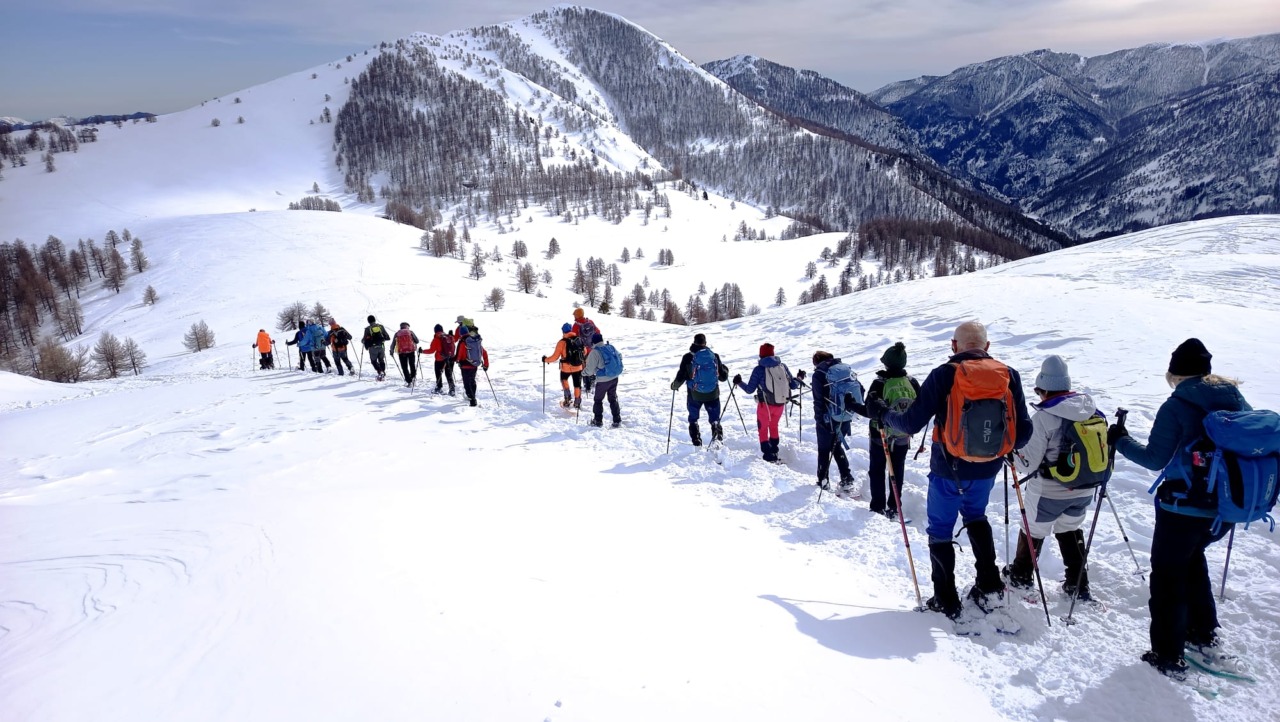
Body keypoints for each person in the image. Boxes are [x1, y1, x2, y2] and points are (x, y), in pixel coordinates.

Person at [871, 321, 1033, 619]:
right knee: (977, 517)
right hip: (987, 468)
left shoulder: (945, 374)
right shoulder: (1009, 375)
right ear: (987, 346)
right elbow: (1023, 433)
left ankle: (946, 599)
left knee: (940, 529)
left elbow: (910, 424)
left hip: (948, 469)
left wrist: (883, 413)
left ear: (954, 345)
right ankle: (990, 585)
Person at [1112, 338, 1250, 679]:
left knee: (1168, 575)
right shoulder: (1236, 398)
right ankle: (1202, 633)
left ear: (1175, 373)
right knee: (1192, 561)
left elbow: (1154, 458)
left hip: (1182, 509)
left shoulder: (1177, 405)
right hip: (1226, 509)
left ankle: (1167, 654)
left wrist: (1120, 440)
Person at [1006, 355, 1102, 600]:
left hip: (1048, 490)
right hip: (1084, 488)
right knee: (1070, 528)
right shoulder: (1091, 410)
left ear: (1044, 389)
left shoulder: (1044, 418)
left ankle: (1021, 575)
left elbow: (1029, 463)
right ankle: (1078, 583)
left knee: (1033, 530)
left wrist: (1012, 454)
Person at [864, 342, 921, 519]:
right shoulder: (911, 382)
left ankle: (878, 506)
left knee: (877, 470)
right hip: (903, 434)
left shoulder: (880, 383)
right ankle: (894, 506)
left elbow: (870, 410)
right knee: (897, 470)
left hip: (879, 434)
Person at [733, 343, 800, 462]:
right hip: (780, 403)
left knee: (762, 428)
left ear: (761, 355)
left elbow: (750, 390)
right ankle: (775, 450)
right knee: (774, 426)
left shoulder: (759, 370)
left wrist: (739, 382)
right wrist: (799, 378)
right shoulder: (782, 366)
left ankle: (768, 455)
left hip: (765, 406)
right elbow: (794, 385)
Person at [669, 333, 729, 446]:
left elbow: (681, 375)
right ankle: (717, 437)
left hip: (694, 394)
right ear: (705, 343)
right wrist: (725, 369)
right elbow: (723, 377)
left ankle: (696, 440)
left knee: (693, 417)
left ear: (694, 343)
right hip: (712, 393)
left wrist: (674, 386)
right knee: (714, 418)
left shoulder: (688, 357)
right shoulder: (714, 356)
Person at [810, 350, 857, 493]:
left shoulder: (819, 374)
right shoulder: (845, 369)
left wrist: (819, 419)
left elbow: (818, 400)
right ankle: (847, 478)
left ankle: (823, 481)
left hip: (827, 418)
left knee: (824, 450)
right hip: (844, 415)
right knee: (836, 446)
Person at [582, 332, 622, 427]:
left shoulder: (594, 352)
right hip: (614, 377)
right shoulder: (610, 347)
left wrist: (583, 373)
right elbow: (620, 357)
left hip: (603, 380)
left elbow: (590, 371)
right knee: (612, 398)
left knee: (598, 399)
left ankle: (598, 421)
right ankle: (617, 420)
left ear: (593, 342)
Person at [542, 323, 585, 409]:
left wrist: (545, 360)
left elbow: (555, 357)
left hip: (566, 368)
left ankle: (567, 399)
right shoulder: (578, 339)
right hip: (578, 367)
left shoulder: (562, 342)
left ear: (563, 331)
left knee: (564, 380)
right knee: (577, 384)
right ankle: (577, 402)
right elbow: (584, 352)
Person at [455, 324, 489, 407]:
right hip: (474, 364)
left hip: (465, 365)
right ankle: (473, 395)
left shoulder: (463, 342)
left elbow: (459, 355)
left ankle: (472, 399)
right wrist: (486, 364)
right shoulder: (475, 341)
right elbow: (484, 352)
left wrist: (457, 360)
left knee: (467, 382)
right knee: (472, 380)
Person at [419, 324, 457, 395]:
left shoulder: (436, 338)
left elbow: (431, 350)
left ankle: (439, 387)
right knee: (448, 374)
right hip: (450, 358)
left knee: (438, 373)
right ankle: (452, 389)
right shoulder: (449, 337)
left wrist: (422, 351)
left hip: (440, 359)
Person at [572, 308, 601, 392]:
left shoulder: (576, 325)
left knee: (583, 367)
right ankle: (592, 382)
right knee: (591, 365)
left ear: (577, 315)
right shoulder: (590, 322)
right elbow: (598, 332)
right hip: (592, 348)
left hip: (582, 350)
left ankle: (585, 386)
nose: (574, 316)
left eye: (575, 314)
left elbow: (573, 338)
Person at [362, 315, 391, 381]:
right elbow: (387, 336)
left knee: (374, 361)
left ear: (368, 321)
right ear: (375, 320)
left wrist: (364, 341)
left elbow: (364, 339)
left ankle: (380, 372)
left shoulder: (367, 329)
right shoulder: (380, 326)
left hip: (373, 348)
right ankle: (383, 372)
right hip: (381, 346)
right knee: (381, 360)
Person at [391, 322, 420, 386]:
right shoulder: (410, 332)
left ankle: (409, 381)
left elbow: (393, 343)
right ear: (407, 326)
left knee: (404, 367)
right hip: (411, 351)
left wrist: (391, 351)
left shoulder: (397, 333)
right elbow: (417, 341)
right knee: (412, 365)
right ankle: (413, 378)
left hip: (401, 352)